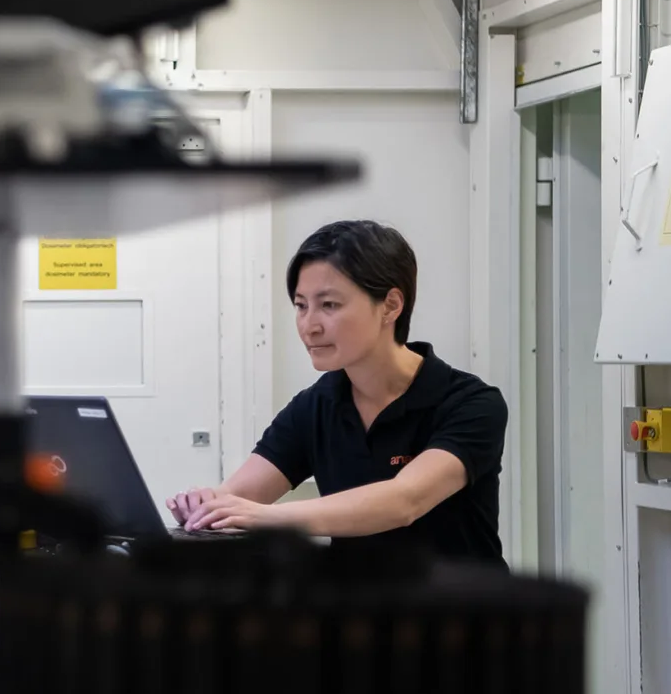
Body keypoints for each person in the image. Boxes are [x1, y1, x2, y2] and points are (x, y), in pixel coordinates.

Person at [167, 220, 508, 566]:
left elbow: (403, 501)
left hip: (464, 615)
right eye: (301, 306)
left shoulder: (472, 404)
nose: (309, 326)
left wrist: (259, 517)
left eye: (329, 305)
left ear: (390, 305)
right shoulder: (316, 405)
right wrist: (205, 507)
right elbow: (238, 496)